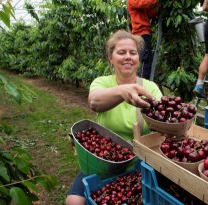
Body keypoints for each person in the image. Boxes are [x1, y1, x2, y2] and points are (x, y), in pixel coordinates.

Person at [65, 30, 162, 205]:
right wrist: (122, 91)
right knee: (73, 201)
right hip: (104, 164)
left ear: (138, 59)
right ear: (111, 58)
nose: (128, 57)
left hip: (141, 166)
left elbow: (162, 118)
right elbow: (94, 101)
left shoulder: (150, 88)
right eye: (121, 52)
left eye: (133, 53)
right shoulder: (102, 82)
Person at [127, 0, 160, 80]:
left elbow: (151, 13)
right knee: (144, 61)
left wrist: (158, 5)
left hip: (145, 33)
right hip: (140, 34)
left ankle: (142, 84)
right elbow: (145, 3)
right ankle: (141, 86)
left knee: (146, 60)